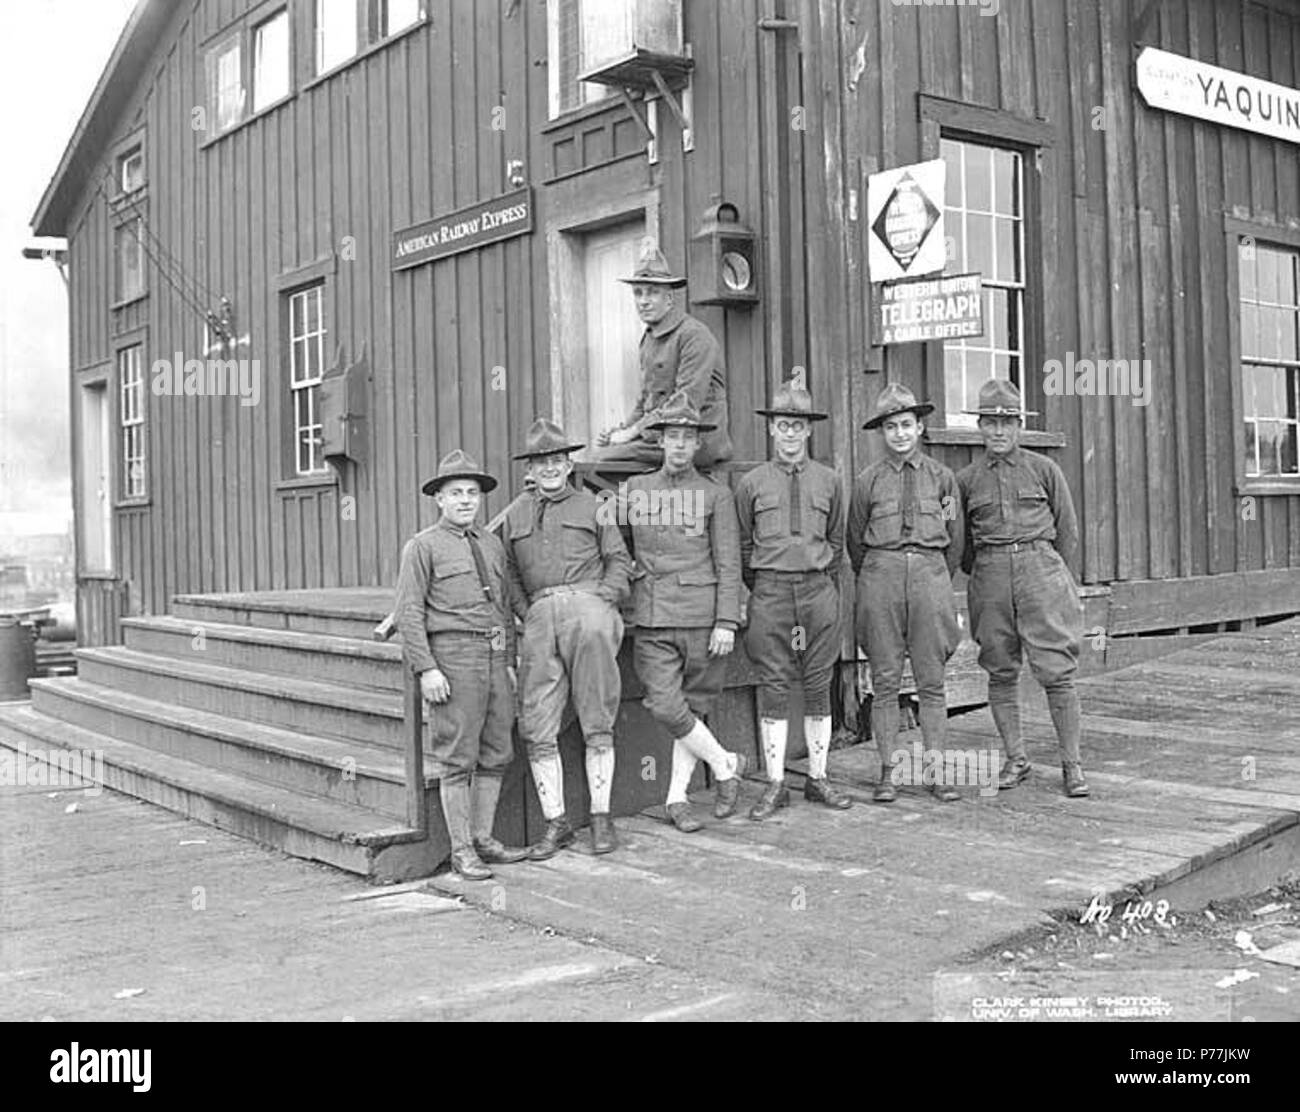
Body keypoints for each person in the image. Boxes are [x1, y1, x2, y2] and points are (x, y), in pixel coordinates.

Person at [394, 449, 529, 881]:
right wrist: (427, 668)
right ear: (439, 499)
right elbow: (409, 613)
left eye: (472, 493)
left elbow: (505, 607)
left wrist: (508, 659)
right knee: (458, 757)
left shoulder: (490, 543)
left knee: (497, 750)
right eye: (456, 493)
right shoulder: (422, 547)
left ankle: (485, 838)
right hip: (453, 658)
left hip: (493, 657)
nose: (466, 500)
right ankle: (461, 850)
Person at [503, 418, 634, 856]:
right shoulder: (516, 513)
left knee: (597, 714)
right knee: (536, 720)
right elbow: (510, 577)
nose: (550, 468)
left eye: (557, 460)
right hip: (540, 619)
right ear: (532, 467)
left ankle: (600, 818)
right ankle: (556, 823)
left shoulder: (594, 505)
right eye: (542, 462)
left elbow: (619, 560)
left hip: (588, 611)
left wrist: (604, 602)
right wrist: (529, 612)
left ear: (568, 462)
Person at [619, 391, 748, 832]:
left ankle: (676, 799)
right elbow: (614, 547)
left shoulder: (716, 495)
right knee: (665, 705)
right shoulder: (636, 491)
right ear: (661, 442)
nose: (678, 445)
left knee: (692, 707)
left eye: (686, 438)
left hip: (702, 617)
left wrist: (727, 620)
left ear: (697, 445)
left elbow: (729, 562)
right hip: (652, 617)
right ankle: (727, 765)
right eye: (671, 436)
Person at [956, 379, 1090, 798]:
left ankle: (1072, 764)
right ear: (979, 426)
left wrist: (1051, 576)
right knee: (999, 668)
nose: (998, 431)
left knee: (1057, 671)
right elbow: (962, 544)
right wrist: (987, 574)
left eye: (1007, 422)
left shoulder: (1044, 470)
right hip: (990, 575)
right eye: (990, 422)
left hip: (1040, 570)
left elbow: (1067, 531)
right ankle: (1016, 758)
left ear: (1019, 426)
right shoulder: (966, 480)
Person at [734, 380, 852, 820]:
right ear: (772, 430)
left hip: (818, 591)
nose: (789, 434)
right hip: (771, 593)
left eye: (797, 425)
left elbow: (838, 542)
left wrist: (816, 578)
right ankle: (776, 784)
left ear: (808, 431)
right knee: (774, 683)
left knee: (819, 679)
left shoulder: (830, 481)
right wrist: (767, 581)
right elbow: (744, 547)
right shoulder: (751, 484)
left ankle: (818, 778)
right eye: (782, 425)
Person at [848, 384, 964, 804]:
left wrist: (931, 575)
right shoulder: (867, 482)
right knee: (885, 682)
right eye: (891, 427)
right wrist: (885, 572)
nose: (899, 433)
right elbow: (855, 542)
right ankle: (887, 774)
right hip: (881, 578)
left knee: (932, 682)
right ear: (881, 432)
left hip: (931, 578)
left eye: (906, 425)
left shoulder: (943, 479)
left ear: (920, 426)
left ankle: (936, 773)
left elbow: (956, 539)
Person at [591, 243, 732, 471]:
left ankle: (636, 505)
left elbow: (685, 400)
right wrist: (621, 430)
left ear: (669, 299)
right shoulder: (649, 339)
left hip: (694, 440)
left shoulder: (693, 335)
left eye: (652, 292)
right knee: (600, 456)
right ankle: (634, 506)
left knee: (602, 461)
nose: (643, 301)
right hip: (661, 436)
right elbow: (646, 400)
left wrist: (632, 433)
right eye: (638, 293)